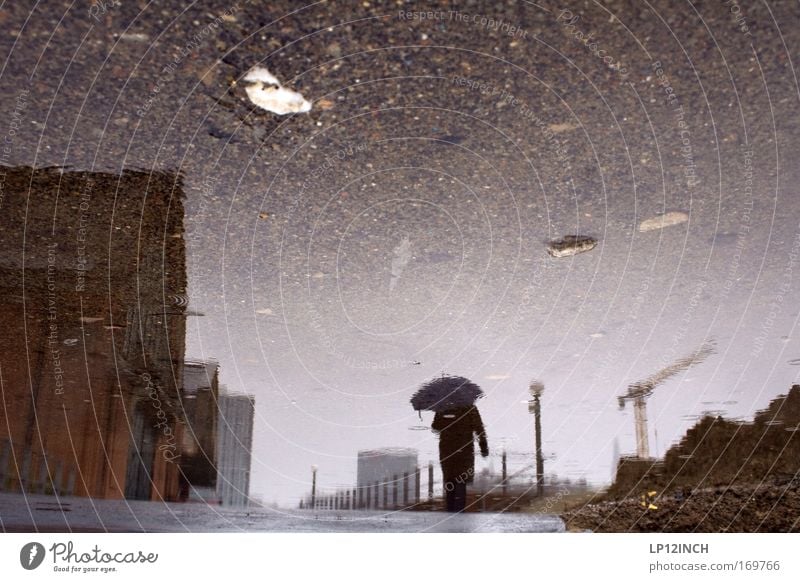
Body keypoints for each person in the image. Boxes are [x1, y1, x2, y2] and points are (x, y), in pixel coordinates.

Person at [431, 405, 489, 512]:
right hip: (464, 450)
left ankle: (450, 509)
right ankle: (459, 510)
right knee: (461, 481)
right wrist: (484, 448)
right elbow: (479, 429)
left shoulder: (443, 407)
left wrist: (447, 420)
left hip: (447, 450)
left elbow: (435, 426)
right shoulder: (470, 408)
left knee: (449, 480)